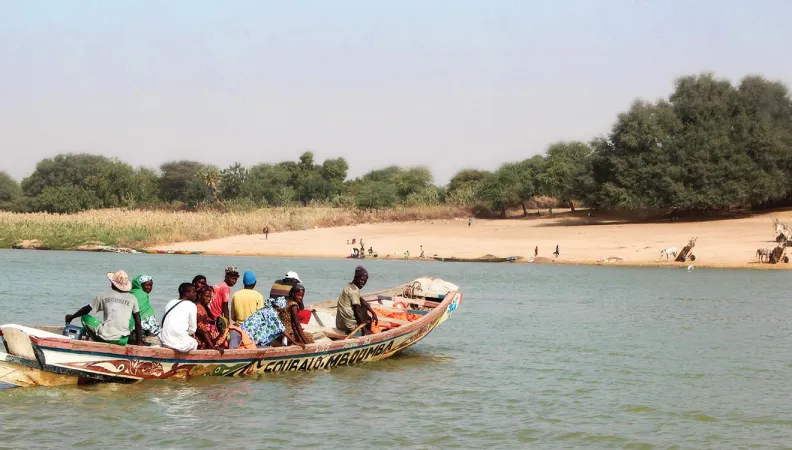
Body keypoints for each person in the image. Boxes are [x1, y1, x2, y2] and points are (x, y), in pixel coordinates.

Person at [65, 270, 142, 346]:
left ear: (112, 283)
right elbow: (138, 321)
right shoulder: (133, 298)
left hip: (107, 337)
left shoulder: (104, 295)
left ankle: (98, 341)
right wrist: (139, 342)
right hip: (123, 340)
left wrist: (71, 317)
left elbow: (86, 309)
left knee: (84, 317)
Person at [335, 266, 378, 335]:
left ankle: (365, 330)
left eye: (365, 281)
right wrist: (363, 329)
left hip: (340, 324)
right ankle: (365, 332)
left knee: (364, 306)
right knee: (367, 316)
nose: (363, 283)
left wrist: (373, 312)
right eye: (361, 280)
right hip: (349, 326)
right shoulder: (354, 291)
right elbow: (357, 311)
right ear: (355, 278)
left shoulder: (349, 286)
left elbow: (362, 300)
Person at [159, 283, 198, 353]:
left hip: (165, 339)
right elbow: (193, 329)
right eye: (194, 292)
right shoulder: (192, 305)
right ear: (186, 294)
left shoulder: (170, 302)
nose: (196, 294)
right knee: (194, 343)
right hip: (180, 340)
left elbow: (163, 323)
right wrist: (185, 333)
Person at [195, 286, 224, 350]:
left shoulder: (199, 306)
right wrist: (213, 346)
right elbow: (203, 330)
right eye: (207, 296)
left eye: (210, 297)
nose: (209, 299)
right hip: (200, 341)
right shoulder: (200, 309)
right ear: (200, 295)